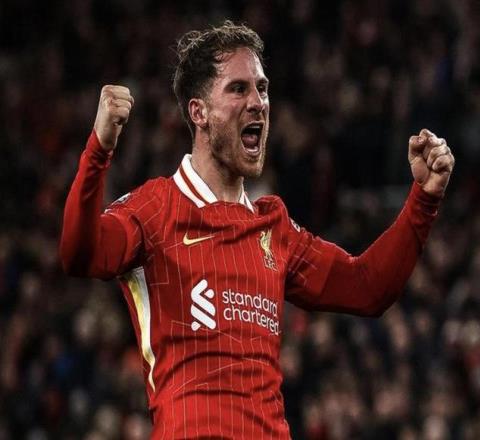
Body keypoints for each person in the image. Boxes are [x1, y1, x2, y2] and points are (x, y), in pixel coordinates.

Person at [60, 21, 454, 439]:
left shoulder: (274, 225)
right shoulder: (154, 209)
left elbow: (367, 287)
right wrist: (99, 150)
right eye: (238, 89)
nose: (258, 103)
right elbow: (79, 254)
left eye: (262, 89)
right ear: (199, 113)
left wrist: (424, 199)